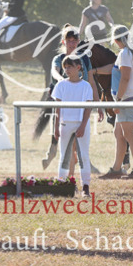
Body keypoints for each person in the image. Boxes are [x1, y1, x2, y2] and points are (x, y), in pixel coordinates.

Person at [101, 26, 133, 179]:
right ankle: (116, 169)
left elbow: (125, 78)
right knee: (119, 133)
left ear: (115, 40)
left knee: (129, 135)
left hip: (128, 99)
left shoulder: (125, 53)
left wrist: (118, 101)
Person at [51, 55, 94, 197]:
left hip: (81, 123)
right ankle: (61, 184)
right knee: (64, 155)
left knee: (84, 155)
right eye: (65, 67)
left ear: (78, 68)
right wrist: (56, 127)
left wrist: (83, 125)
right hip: (65, 123)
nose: (67, 70)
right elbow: (57, 108)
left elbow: (88, 108)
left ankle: (85, 186)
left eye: (70, 67)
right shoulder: (61, 85)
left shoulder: (86, 86)